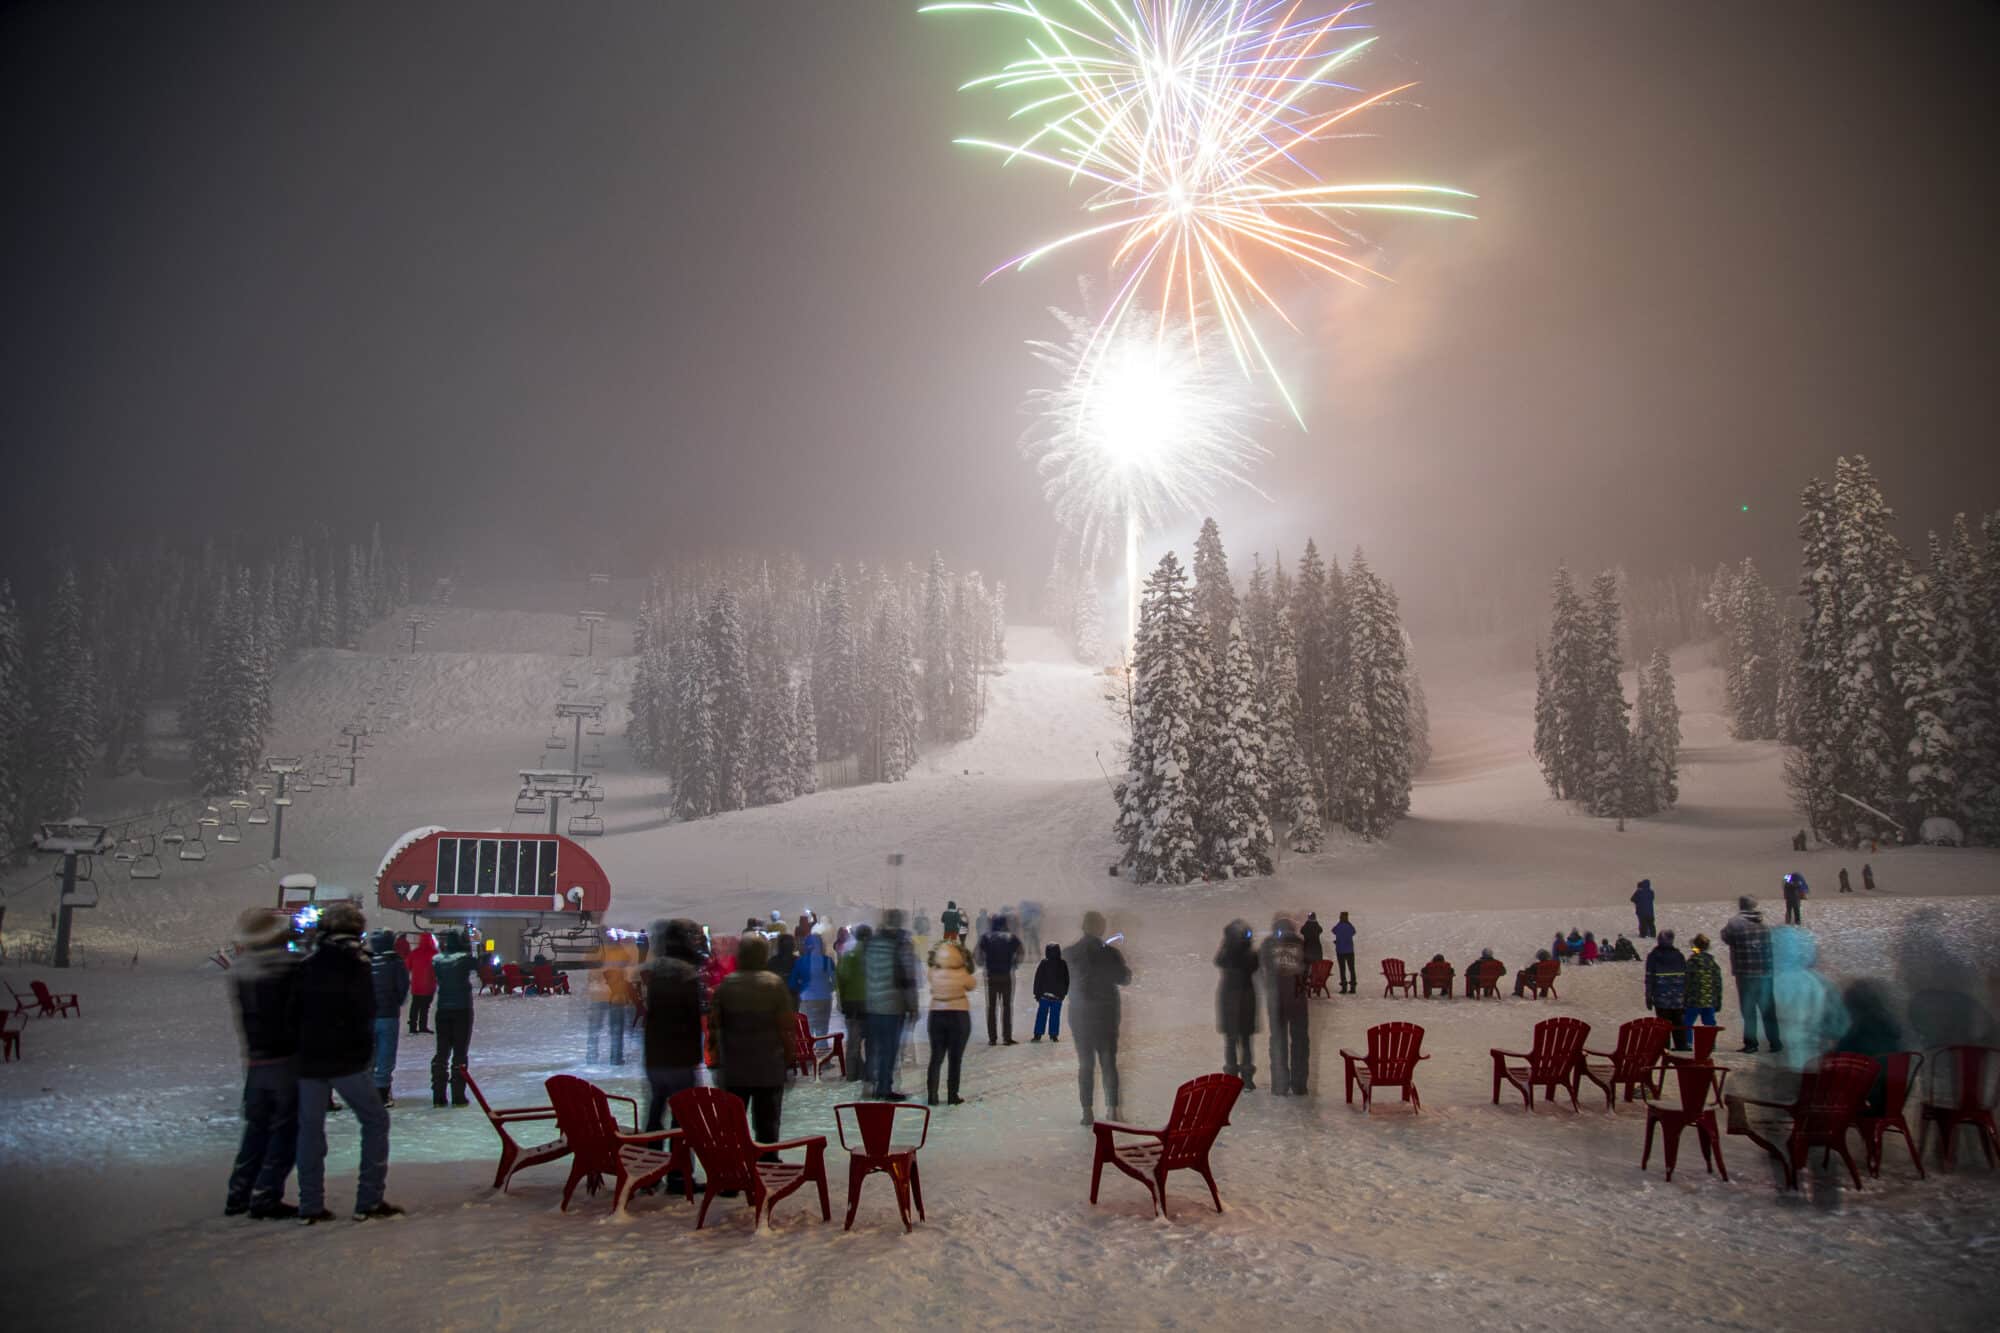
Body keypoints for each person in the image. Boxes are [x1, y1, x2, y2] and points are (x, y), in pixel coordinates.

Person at [291, 901, 399, 1223]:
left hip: (308, 1060)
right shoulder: (357, 965)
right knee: (375, 1121)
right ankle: (368, 1200)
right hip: (346, 1061)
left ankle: (309, 1205)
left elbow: (291, 1011)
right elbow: (365, 1010)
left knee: (310, 1131)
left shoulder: (306, 965)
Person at [225, 908, 301, 1219]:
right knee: (285, 1130)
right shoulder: (287, 968)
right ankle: (266, 1194)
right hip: (287, 1060)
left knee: (256, 1129)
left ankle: (239, 1193)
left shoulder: (241, 970)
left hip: (256, 1061)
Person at [710, 934, 795, 1149]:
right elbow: (786, 1026)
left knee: (731, 1125)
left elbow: (714, 1026)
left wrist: (717, 1059)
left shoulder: (726, 985)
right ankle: (768, 1164)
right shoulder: (774, 984)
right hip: (768, 1067)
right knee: (767, 1123)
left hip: (733, 1067)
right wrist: (789, 1056)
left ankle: (734, 1169)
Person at [641, 918, 707, 1156]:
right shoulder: (687, 976)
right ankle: (679, 1175)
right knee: (683, 1117)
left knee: (656, 1110)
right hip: (680, 1057)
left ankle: (652, 1164)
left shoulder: (654, 973)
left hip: (655, 1055)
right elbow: (691, 1017)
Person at [1065, 911, 1131, 1124]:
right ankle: (1113, 1110)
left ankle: (1087, 1112)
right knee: (1108, 1062)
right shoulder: (1110, 953)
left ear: (1083, 927)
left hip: (1080, 1015)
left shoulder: (1070, 953)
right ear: (1100, 928)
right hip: (1105, 1016)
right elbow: (1124, 978)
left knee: (1085, 1064)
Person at [864, 909, 919, 1100]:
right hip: (893, 1005)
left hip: (872, 1004)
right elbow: (908, 978)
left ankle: (869, 1085)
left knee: (873, 1047)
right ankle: (884, 1088)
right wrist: (913, 1006)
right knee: (889, 1048)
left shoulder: (871, 943)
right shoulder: (902, 945)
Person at [1721, 896, 1781, 1054]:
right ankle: (1775, 1043)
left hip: (1745, 973)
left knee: (1748, 1010)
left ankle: (1751, 1043)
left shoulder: (1735, 924)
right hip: (1765, 973)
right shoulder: (1764, 926)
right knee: (1768, 1010)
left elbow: (1725, 937)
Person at [925, 930, 977, 1105]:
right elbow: (972, 985)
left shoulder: (933, 971)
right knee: (955, 1059)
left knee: (936, 1057)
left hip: (936, 1013)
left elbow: (931, 981)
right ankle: (952, 1095)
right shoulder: (962, 972)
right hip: (958, 1014)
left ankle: (932, 1095)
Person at [1259, 916, 1309, 1096]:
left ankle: (1279, 1086)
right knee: (1300, 1043)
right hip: (1298, 1000)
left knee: (1278, 1042)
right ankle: (1299, 1085)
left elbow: (1262, 966)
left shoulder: (1268, 945)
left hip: (1277, 1001)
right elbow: (1308, 966)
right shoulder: (1300, 944)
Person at [430, 929, 477, 1107]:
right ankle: (458, 1094)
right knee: (460, 1052)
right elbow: (477, 964)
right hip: (462, 1009)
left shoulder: (437, 960)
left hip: (443, 1008)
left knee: (441, 1052)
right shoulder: (464, 959)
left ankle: (438, 1094)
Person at [1213, 920, 1259, 1089]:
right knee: (1245, 1041)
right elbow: (1255, 965)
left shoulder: (1227, 955)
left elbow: (1217, 960)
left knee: (1231, 1041)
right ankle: (1247, 1079)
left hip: (1229, 1000)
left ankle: (1231, 1076)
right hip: (1246, 1000)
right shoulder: (1250, 954)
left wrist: (1225, 943)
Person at [368, 929, 408, 1105]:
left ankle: (366, 1090)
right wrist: (395, 1002)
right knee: (386, 1054)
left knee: (370, 1054)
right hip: (388, 1015)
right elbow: (402, 987)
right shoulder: (395, 962)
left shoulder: (366, 962)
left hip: (367, 1016)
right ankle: (382, 1092)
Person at [976, 914, 1023, 1046]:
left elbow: (978, 954)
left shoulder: (986, 937)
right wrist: (1014, 964)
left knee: (991, 1007)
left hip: (991, 976)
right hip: (1006, 976)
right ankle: (1007, 1037)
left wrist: (984, 964)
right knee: (1007, 1007)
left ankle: (992, 1038)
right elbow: (1020, 952)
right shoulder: (1011, 938)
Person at [584, 941, 630, 1066]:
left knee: (595, 1030)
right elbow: (627, 963)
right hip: (615, 996)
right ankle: (615, 1059)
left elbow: (590, 970)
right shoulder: (619, 951)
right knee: (616, 1030)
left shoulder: (595, 950)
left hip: (599, 996)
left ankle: (592, 1058)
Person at [837, 922, 872, 1080]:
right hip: (871, 1005)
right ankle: (868, 1072)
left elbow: (841, 980)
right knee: (872, 1042)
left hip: (852, 1005)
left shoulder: (848, 955)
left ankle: (852, 1073)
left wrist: (841, 1001)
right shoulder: (874, 956)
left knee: (853, 1043)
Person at [1645, 930, 1689, 1052]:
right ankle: (1682, 1047)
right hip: (1678, 998)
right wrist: (1685, 996)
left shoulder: (1653, 956)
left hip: (1661, 998)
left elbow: (1649, 977)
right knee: (1678, 1024)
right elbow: (1686, 978)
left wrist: (1648, 995)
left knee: (1663, 1025)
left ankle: (1664, 1049)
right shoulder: (1679, 956)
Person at [790, 930, 836, 1036]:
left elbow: (792, 983)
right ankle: (822, 1050)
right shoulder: (827, 961)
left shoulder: (800, 962)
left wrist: (801, 989)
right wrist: (827, 989)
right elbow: (835, 982)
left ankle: (811, 1051)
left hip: (806, 999)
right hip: (824, 998)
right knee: (823, 1029)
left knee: (808, 1030)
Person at [1684, 933, 1723, 1043]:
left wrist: (1684, 999)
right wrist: (1718, 1000)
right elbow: (1718, 983)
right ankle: (1710, 1044)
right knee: (1710, 1023)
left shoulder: (1692, 962)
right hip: (1709, 1000)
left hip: (1694, 1000)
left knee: (1687, 1022)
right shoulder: (1713, 963)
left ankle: (1688, 1043)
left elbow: (1686, 982)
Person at [1031, 942, 1068, 1042]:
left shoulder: (1044, 963)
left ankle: (1038, 1035)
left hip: (1044, 996)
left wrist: (1036, 993)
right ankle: (1054, 1035)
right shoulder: (1062, 963)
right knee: (1055, 1016)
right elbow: (1066, 980)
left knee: (1041, 1016)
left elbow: (1038, 979)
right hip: (1058, 996)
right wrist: (1064, 993)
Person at [402, 932, 438, 1035]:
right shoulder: (434, 953)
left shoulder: (414, 953)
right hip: (429, 985)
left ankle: (412, 1027)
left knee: (415, 1006)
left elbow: (407, 967)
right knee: (425, 1007)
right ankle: (423, 1026)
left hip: (416, 985)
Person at [1331, 910, 1357, 994]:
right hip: (1349, 950)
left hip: (1340, 950)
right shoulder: (1349, 926)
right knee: (1351, 969)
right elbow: (1354, 932)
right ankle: (1353, 986)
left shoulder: (1339, 926)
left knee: (1342, 969)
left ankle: (1344, 987)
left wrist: (1340, 923)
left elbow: (1333, 930)